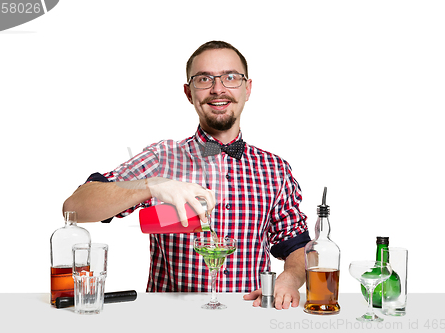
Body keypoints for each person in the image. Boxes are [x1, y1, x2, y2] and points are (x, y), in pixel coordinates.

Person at [63, 41, 310, 310]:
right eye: (204, 79)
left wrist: (289, 279)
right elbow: (74, 208)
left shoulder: (275, 169)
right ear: (188, 92)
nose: (218, 89)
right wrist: (152, 185)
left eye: (230, 77)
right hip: (171, 318)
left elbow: (297, 244)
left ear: (247, 88)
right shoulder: (160, 158)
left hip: (249, 315)